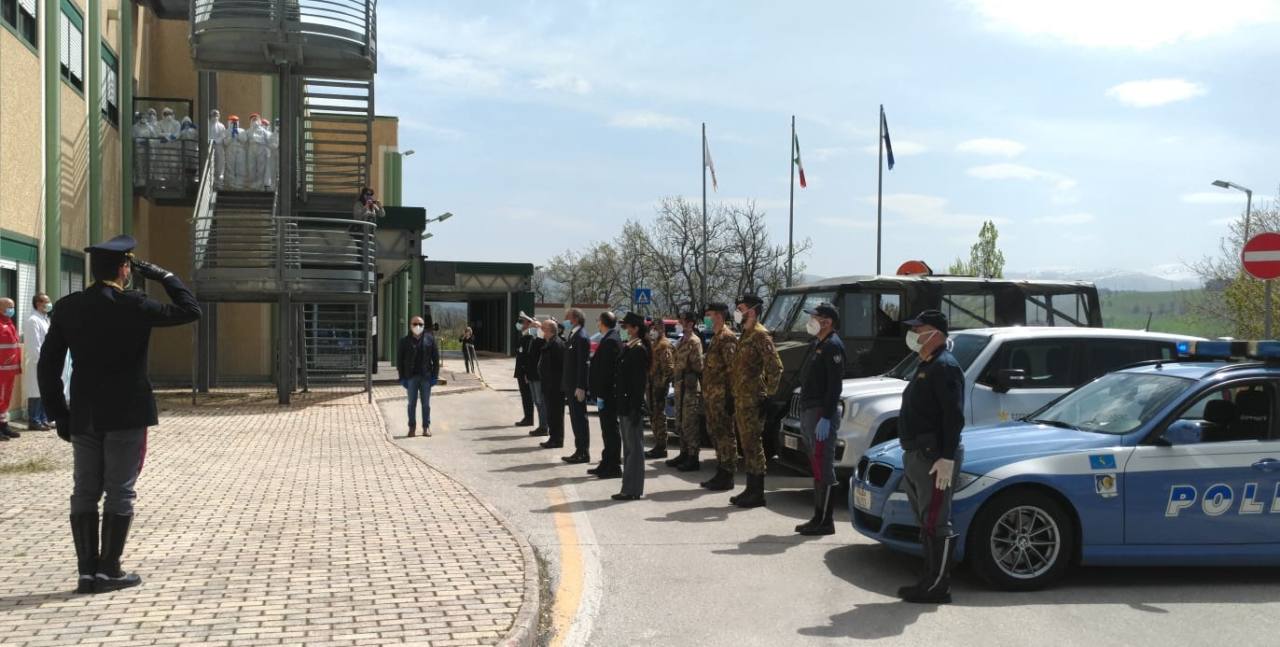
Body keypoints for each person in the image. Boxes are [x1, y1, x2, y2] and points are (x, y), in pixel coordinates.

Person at [37, 235, 201, 594]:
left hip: (84, 411)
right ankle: (108, 570)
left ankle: (86, 571)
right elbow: (191, 310)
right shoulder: (136, 304)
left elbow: (47, 366)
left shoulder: (68, 307)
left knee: (84, 489)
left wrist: (58, 412)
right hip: (127, 410)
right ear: (126, 268)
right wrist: (166, 276)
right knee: (119, 491)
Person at [895, 310, 965, 604]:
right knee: (926, 520)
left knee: (936, 519)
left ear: (935, 333)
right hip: (918, 454)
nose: (914, 333)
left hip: (934, 457)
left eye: (919, 328)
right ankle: (929, 579)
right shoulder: (927, 363)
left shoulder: (944, 366)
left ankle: (938, 586)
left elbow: (953, 417)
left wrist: (947, 457)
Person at [794, 302, 845, 536]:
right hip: (808, 410)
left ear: (827, 322)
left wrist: (826, 416)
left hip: (820, 413)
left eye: (815, 317)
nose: (811, 320)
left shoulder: (833, 346)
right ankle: (818, 516)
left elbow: (835, 386)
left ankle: (825, 520)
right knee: (816, 466)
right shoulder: (818, 344)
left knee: (823, 465)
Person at [727, 294, 782, 508]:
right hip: (742, 399)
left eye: (740, 308)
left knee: (753, 444)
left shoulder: (760, 335)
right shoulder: (745, 334)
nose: (737, 311)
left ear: (752, 311)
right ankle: (750, 488)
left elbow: (775, 368)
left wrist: (768, 396)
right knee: (746, 445)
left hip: (754, 400)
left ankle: (757, 492)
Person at [698, 303, 738, 491]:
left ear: (720, 316)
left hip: (722, 397)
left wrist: (730, 397)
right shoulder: (716, 337)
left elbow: (732, 369)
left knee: (725, 436)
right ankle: (721, 470)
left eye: (710, 314)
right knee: (715, 434)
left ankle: (727, 474)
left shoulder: (727, 337)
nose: (707, 318)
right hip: (712, 397)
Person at [613, 312, 651, 501]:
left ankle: (633, 489)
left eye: (628, 327)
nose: (625, 330)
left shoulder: (639, 350)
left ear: (636, 328)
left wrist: (636, 408)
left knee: (634, 450)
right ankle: (628, 487)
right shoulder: (630, 348)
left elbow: (638, 384)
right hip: (624, 404)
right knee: (628, 448)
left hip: (631, 405)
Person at [667, 310, 704, 471]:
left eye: (682, 320)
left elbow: (698, 366)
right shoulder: (682, 340)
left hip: (690, 386)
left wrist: (686, 368)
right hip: (679, 385)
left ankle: (693, 456)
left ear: (690, 323)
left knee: (690, 423)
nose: (680, 323)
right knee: (680, 421)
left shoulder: (694, 341)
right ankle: (683, 452)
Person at [587, 312, 623, 478]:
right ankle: (606, 462)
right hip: (605, 393)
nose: (597, 323)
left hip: (607, 394)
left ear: (602, 322)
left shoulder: (610, 340)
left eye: (598, 321)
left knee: (610, 431)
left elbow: (607, 372)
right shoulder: (610, 338)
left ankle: (613, 465)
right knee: (606, 431)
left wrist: (601, 393)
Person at [397, 315, 440, 438]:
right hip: (411, 378)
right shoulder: (404, 341)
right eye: (415, 324)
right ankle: (412, 428)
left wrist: (435, 377)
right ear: (410, 326)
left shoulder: (430, 340)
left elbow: (436, 360)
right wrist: (402, 377)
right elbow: (400, 361)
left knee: (426, 404)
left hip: (426, 377)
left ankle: (426, 428)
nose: (418, 326)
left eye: (420, 324)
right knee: (411, 404)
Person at [559, 308, 591, 464]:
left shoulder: (581, 336)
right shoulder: (574, 334)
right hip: (570, 384)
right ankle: (579, 450)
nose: (565, 319)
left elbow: (582, 364)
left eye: (568, 317)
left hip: (576, 386)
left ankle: (583, 452)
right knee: (575, 418)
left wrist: (581, 386)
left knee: (579, 419)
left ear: (576, 319)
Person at [644, 319, 675, 459]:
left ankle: (661, 446)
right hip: (651, 386)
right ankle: (658, 444)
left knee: (659, 416)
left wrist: (662, 386)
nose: (653, 331)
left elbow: (669, 369)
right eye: (652, 328)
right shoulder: (654, 344)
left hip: (658, 387)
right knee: (653, 416)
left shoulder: (664, 345)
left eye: (656, 328)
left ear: (662, 329)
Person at [23, 293, 53, 431]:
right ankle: (34, 420)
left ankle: (43, 418)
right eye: (46, 302)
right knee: (35, 391)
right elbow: (34, 345)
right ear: (38, 304)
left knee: (43, 391)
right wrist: (42, 361)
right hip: (37, 361)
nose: (49, 304)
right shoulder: (33, 320)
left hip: (46, 361)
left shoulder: (45, 319)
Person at [536, 319, 565, 449]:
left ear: (549, 330)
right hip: (548, 385)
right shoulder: (549, 343)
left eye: (543, 328)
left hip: (554, 386)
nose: (541, 331)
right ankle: (553, 438)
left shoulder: (557, 344)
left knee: (556, 415)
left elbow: (559, 367)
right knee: (551, 414)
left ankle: (556, 439)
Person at [0, 298, 21, 440]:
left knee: (5, 399)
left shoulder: (9, 323)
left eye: (13, 306)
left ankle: (4, 425)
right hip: (1, 369)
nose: (12, 309)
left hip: (10, 369)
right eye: (9, 307)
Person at [513, 314, 537, 428]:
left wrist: (527, 373)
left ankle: (529, 418)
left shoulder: (530, 337)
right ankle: (527, 417)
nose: (520, 324)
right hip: (521, 372)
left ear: (528, 323)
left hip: (525, 373)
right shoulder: (523, 336)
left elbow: (529, 358)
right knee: (524, 395)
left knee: (527, 396)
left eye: (522, 321)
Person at [221, 115, 248, 190]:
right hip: (230, 150)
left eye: (235, 122)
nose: (234, 123)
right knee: (230, 167)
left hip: (240, 150)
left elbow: (244, 140)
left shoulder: (242, 130)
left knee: (240, 167)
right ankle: (231, 185)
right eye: (232, 122)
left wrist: (238, 135)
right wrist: (231, 137)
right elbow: (225, 142)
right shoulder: (226, 131)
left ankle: (239, 185)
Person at [247, 114, 271, 191]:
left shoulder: (263, 131)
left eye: (256, 119)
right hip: (251, 149)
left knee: (261, 168)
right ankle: (252, 184)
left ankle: (260, 185)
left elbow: (269, 139)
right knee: (251, 167)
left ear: (259, 121)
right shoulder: (249, 130)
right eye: (253, 120)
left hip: (261, 149)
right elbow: (243, 139)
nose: (254, 121)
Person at [208, 109, 227, 188]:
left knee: (219, 164)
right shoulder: (207, 124)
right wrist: (210, 141)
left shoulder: (221, 126)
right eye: (214, 115)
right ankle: (210, 183)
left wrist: (216, 141)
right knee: (209, 164)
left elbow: (223, 136)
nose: (215, 117)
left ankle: (219, 183)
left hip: (219, 147)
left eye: (217, 115)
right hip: (209, 146)